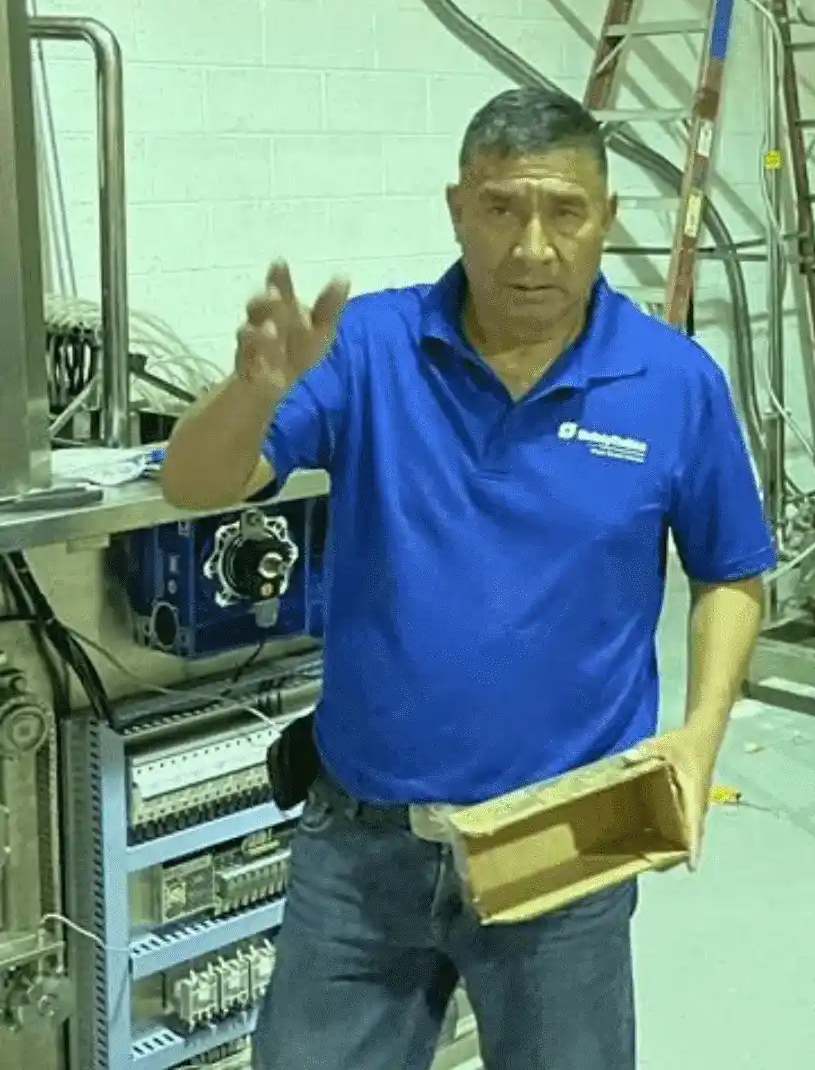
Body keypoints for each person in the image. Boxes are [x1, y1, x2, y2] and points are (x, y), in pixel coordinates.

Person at [160, 87, 777, 1070]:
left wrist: (700, 735)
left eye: (564, 211)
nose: (532, 245)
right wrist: (252, 390)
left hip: (564, 840)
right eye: (501, 208)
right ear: (457, 207)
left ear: (607, 219)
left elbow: (732, 572)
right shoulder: (368, 346)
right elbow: (196, 483)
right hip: (363, 841)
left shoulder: (672, 380)